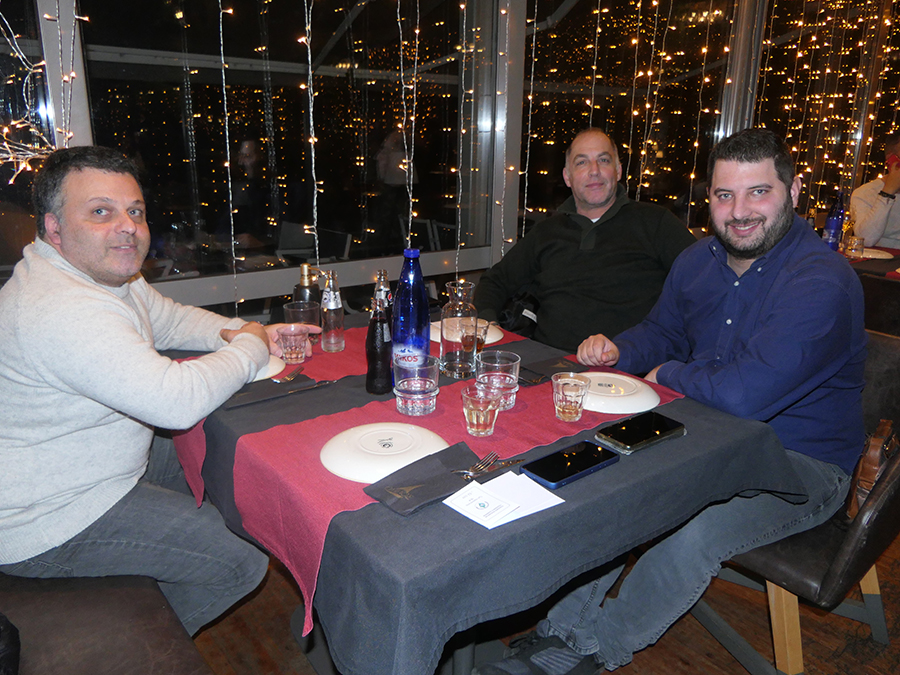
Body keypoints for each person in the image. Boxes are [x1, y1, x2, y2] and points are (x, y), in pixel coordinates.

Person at [474, 128, 866, 675]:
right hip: (703, 431)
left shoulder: (822, 282)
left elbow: (743, 394)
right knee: (606, 486)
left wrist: (668, 373)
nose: (740, 212)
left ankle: (595, 649)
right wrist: (622, 350)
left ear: (794, 191)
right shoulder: (699, 260)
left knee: (690, 533)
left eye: (759, 192)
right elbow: (663, 331)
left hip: (800, 463)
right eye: (725, 195)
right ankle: (560, 630)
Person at [0, 146, 316, 636]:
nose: (127, 227)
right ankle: (131, 642)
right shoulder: (60, 307)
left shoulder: (103, 274)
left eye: (135, 211)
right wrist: (250, 349)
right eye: (100, 212)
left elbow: (168, 320)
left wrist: (243, 330)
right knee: (241, 560)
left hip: (92, 462)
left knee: (223, 450)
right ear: (54, 228)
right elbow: (175, 402)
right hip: (49, 516)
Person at [473, 128, 696, 353]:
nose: (594, 171)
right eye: (582, 163)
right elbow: (495, 281)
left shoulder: (656, 222)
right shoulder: (547, 231)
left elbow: (704, 281)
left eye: (603, 160)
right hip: (547, 362)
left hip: (626, 366)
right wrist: (489, 329)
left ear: (618, 171)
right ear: (567, 177)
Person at [850, 131, 900, 248]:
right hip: (880, 257)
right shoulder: (865, 194)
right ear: (892, 160)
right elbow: (865, 240)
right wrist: (887, 193)